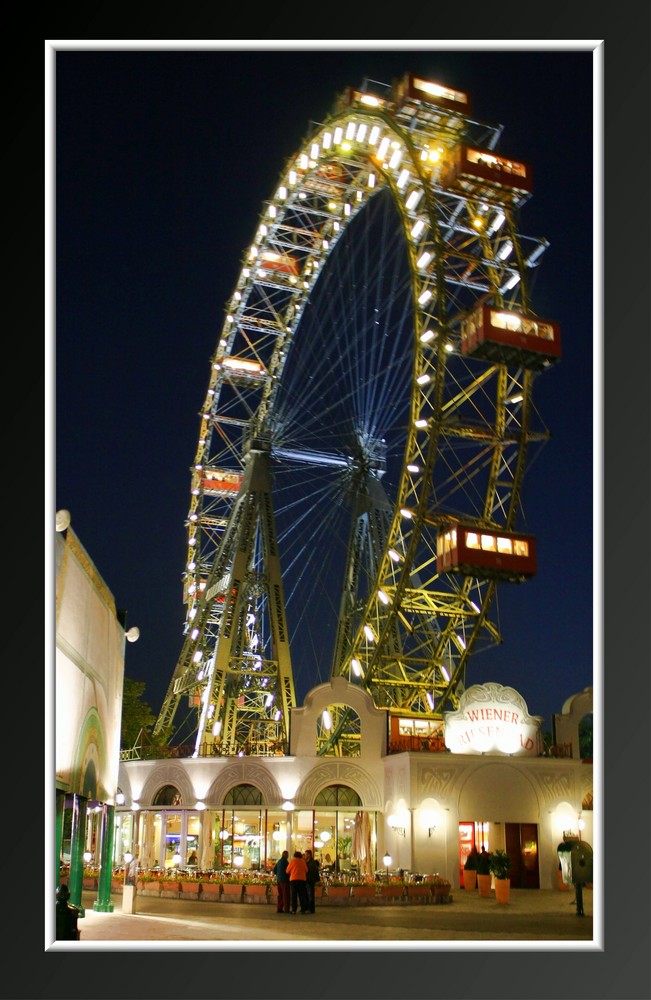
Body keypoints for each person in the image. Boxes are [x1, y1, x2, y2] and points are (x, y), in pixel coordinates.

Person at [304, 848, 320, 913]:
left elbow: (311, 871)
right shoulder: (309, 862)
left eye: (306, 854)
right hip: (308, 880)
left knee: (310, 895)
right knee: (308, 895)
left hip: (310, 880)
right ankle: (308, 908)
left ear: (309, 855)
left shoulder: (311, 863)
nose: (305, 856)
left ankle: (311, 909)